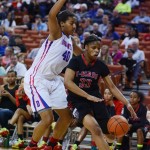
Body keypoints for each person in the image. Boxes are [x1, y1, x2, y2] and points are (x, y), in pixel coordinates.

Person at [24, 0, 82, 149]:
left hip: (54, 80)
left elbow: (83, 57)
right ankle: (31, 146)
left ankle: (50, 145)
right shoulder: (57, 34)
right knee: (48, 118)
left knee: (67, 117)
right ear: (61, 24)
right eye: (71, 22)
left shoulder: (71, 42)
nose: (74, 26)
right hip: (37, 78)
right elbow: (51, 14)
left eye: (75, 23)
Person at [64, 34, 137, 150]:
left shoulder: (100, 65)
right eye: (94, 47)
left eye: (99, 48)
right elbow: (67, 82)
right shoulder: (75, 61)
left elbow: (112, 87)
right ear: (86, 47)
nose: (97, 50)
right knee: (95, 129)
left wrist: (127, 103)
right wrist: (87, 96)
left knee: (110, 134)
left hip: (96, 99)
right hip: (77, 100)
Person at [6, 78, 32, 149]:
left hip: (29, 115)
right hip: (21, 114)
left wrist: (24, 95)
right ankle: (21, 140)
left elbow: (30, 108)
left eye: (25, 82)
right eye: (22, 82)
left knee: (19, 110)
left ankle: (8, 127)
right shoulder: (17, 92)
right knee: (19, 118)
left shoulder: (30, 92)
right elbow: (18, 105)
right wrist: (20, 96)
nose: (23, 84)